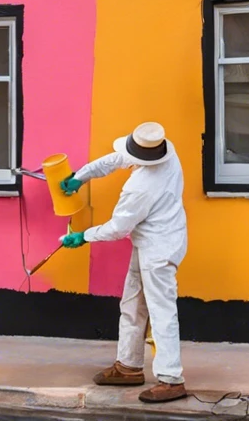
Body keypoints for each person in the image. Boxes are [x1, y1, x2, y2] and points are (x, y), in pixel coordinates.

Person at [58, 122, 188, 403]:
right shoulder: (166, 149)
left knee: (162, 311)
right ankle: (128, 366)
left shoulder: (141, 187)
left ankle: (171, 379)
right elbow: (116, 159)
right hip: (153, 239)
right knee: (132, 303)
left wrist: (83, 236)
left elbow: (118, 227)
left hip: (159, 248)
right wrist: (81, 176)